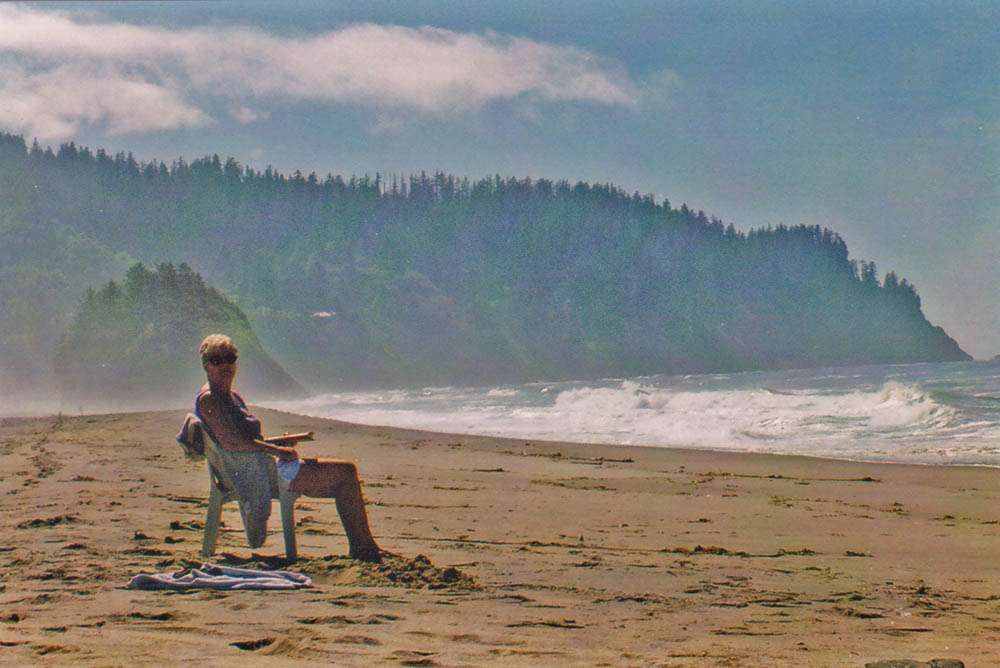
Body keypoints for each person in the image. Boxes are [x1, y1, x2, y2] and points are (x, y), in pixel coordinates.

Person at [194, 334, 384, 562]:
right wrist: (278, 451)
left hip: (261, 468)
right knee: (345, 473)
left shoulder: (231, 397)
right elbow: (232, 442)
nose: (225, 365)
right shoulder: (210, 400)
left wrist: (279, 443)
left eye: (230, 358)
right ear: (206, 365)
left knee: (342, 475)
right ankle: (363, 548)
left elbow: (243, 441)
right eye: (217, 360)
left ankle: (364, 546)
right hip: (259, 474)